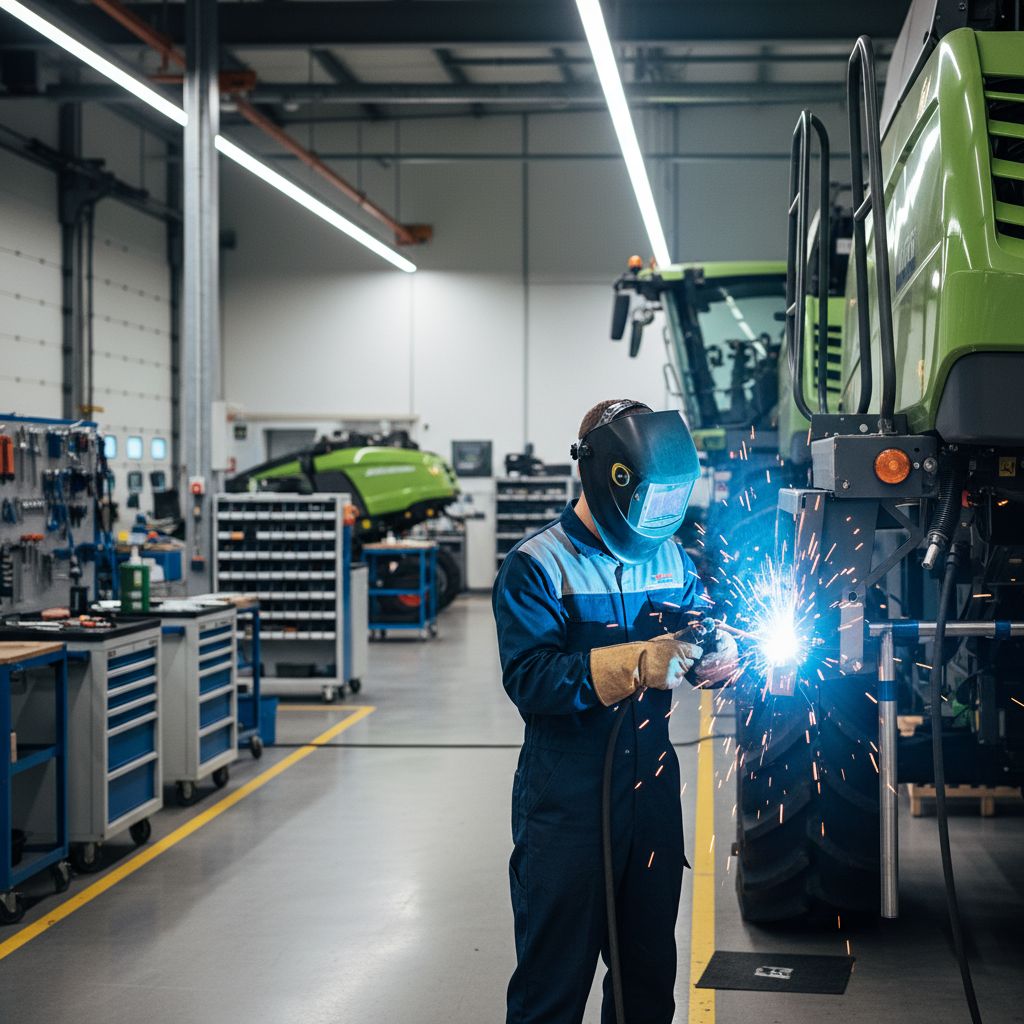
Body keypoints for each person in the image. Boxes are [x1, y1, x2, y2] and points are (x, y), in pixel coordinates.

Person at [492, 399, 739, 1024]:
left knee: (648, 983)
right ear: (603, 476)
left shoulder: (669, 555)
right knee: (553, 985)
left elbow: (698, 622)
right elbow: (531, 680)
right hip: (566, 800)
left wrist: (722, 648)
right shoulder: (536, 565)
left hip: (651, 797)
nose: (656, 520)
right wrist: (639, 665)